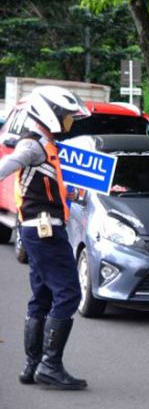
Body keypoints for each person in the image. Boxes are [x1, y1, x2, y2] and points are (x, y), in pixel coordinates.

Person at [0, 86, 90, 390]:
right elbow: (7, 166)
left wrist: (77, 193)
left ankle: (33, 365)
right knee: (68, 294)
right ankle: (50, 366)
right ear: (50, 113)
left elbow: (49, 186)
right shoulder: (34, 146)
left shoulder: (45, 146)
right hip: (45, 231)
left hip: (36, 229)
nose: (70, 121)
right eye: (66, 116)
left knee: (42, 296)